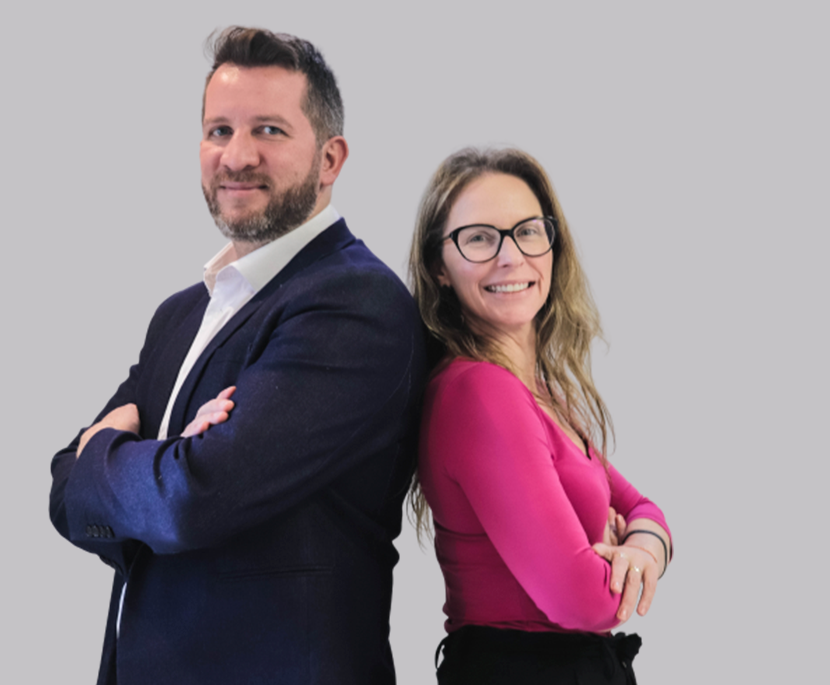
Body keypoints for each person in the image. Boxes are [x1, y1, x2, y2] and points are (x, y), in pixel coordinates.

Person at [49, 27, 427, 685]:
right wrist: (166, 464)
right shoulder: (180, 314)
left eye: (269, 131)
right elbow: (64, 490)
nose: (237, 155)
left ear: (330, 159)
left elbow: (192, 500)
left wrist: (106, 453)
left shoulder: (355, 303)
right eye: (219, 130)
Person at [408, 147, 672, 684]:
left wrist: (642, 546)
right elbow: (586, 601)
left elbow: (646, 509)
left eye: (528, 231)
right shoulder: (479, 392)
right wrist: (625, 554)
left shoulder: (539, 393)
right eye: (479, 238)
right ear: (439, 267)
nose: (510, 257)